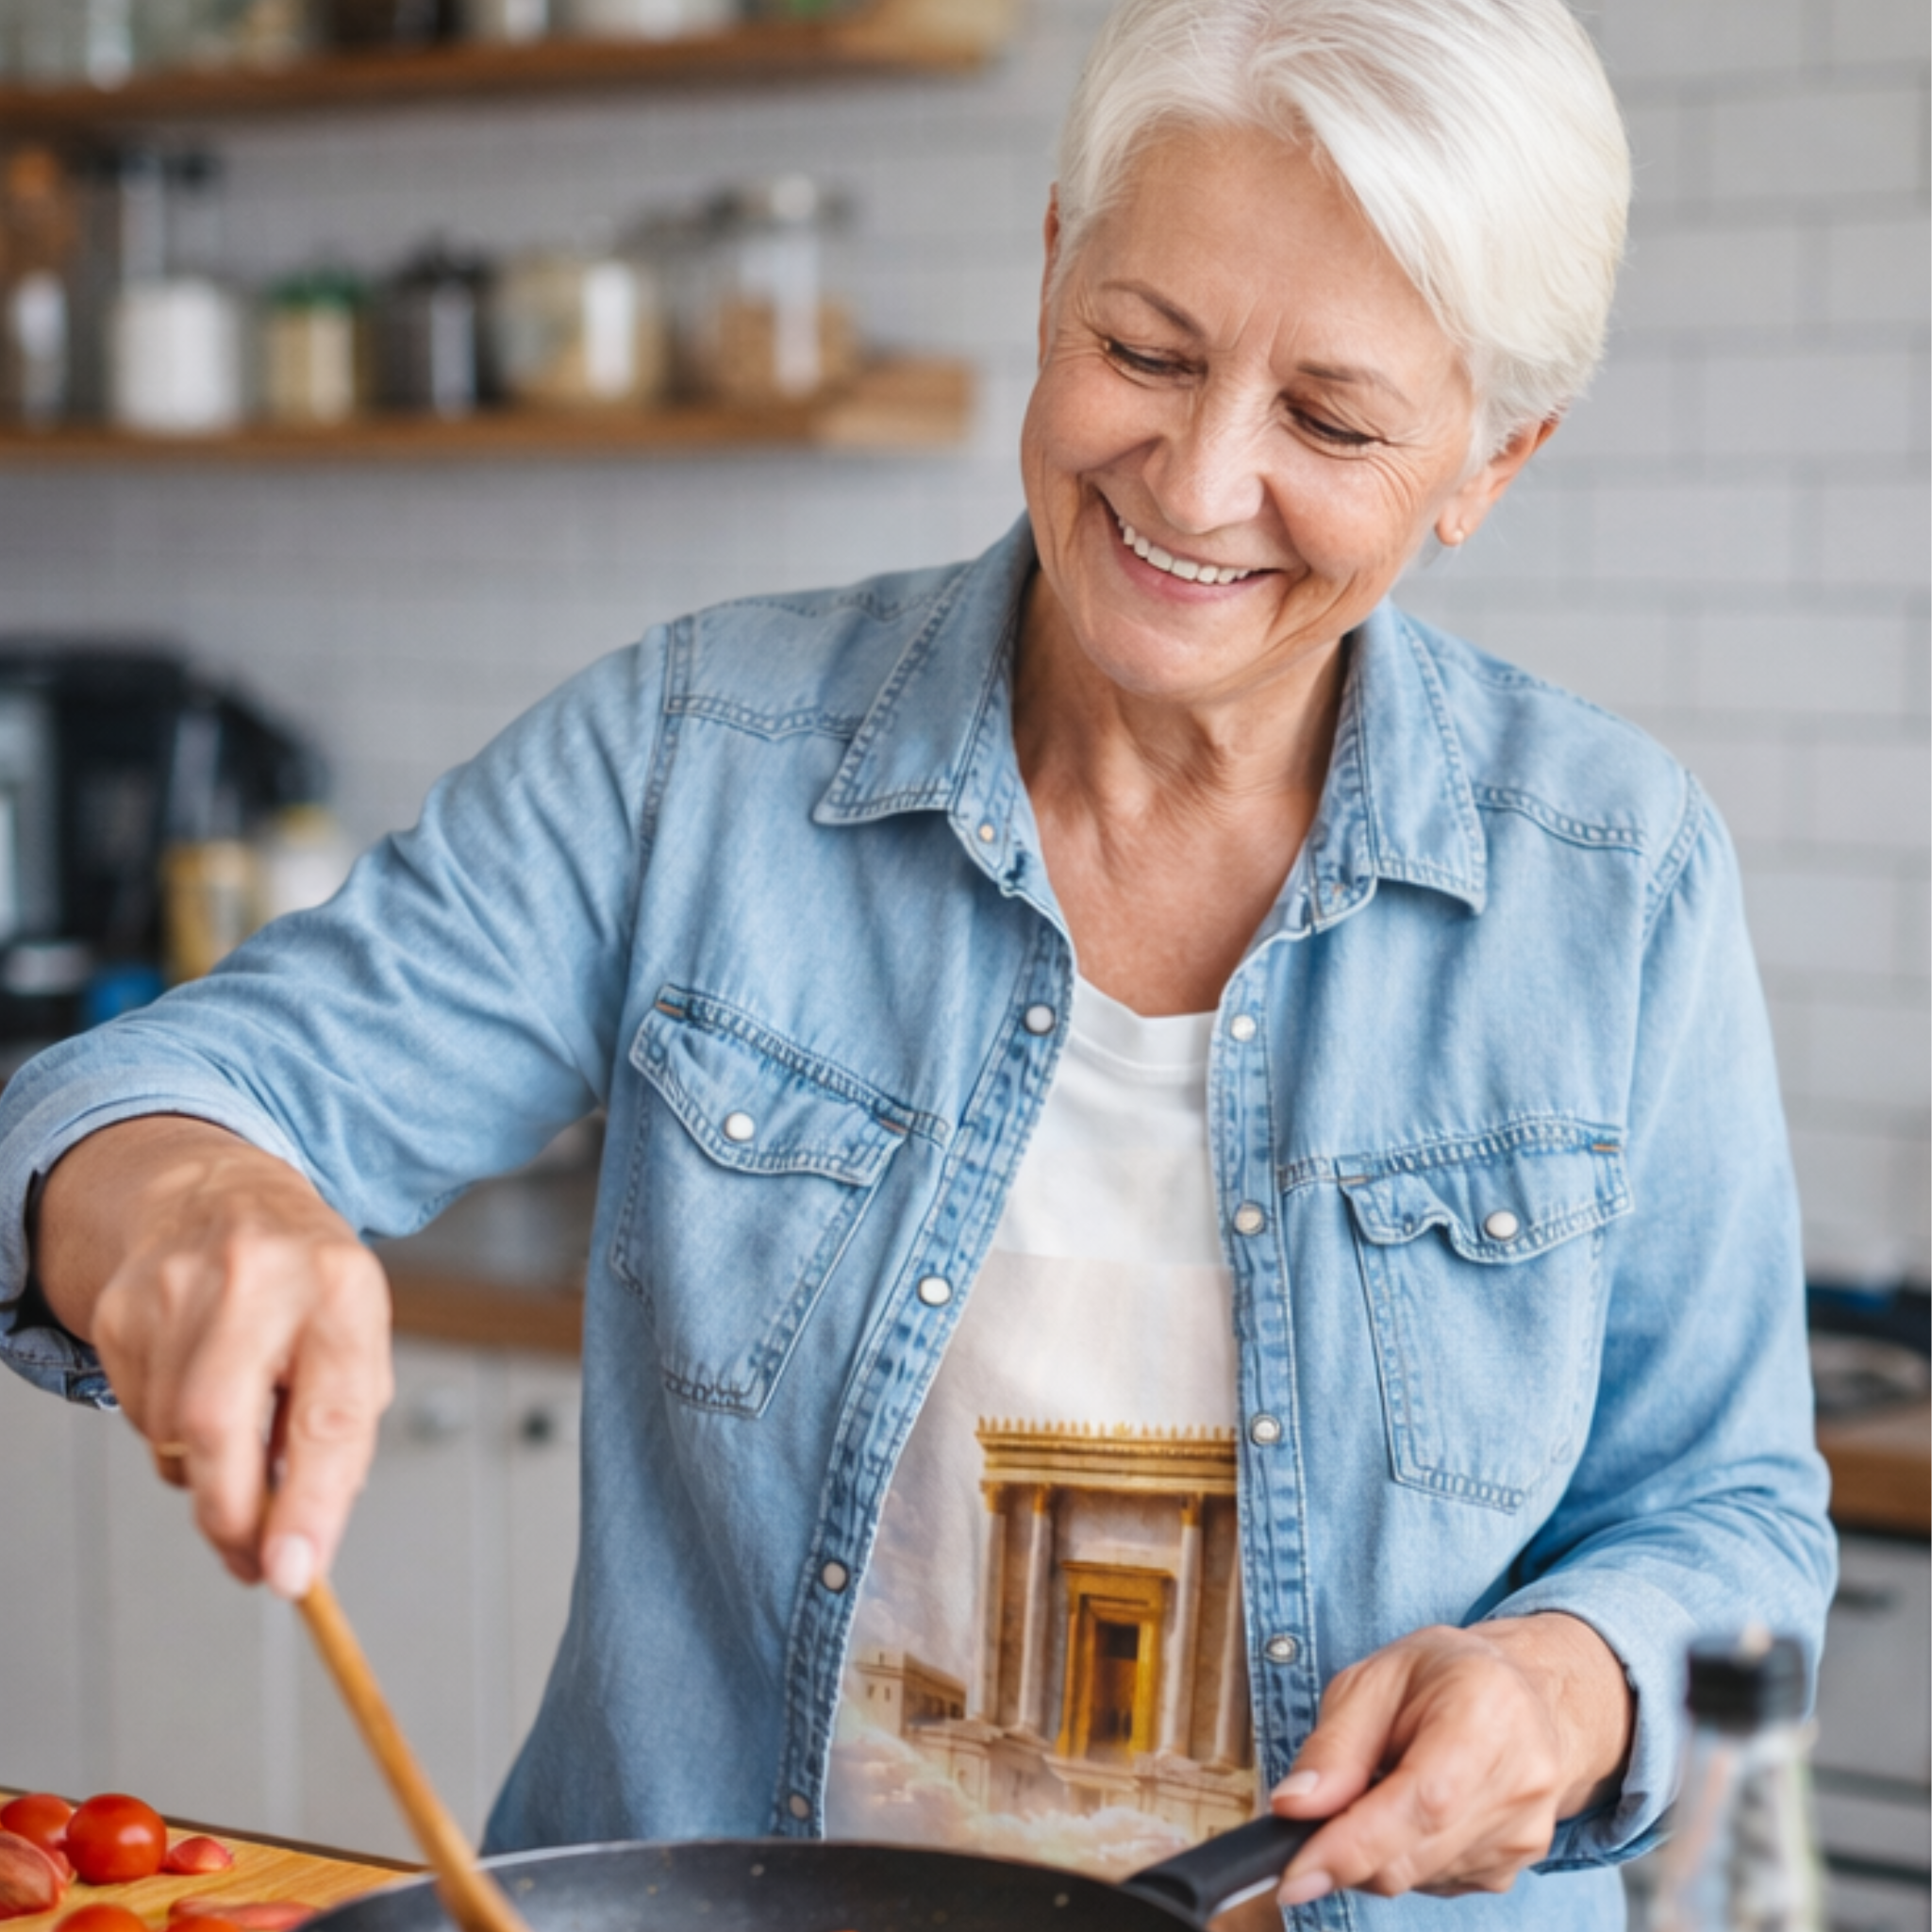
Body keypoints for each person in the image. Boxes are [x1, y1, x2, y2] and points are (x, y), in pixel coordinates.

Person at [0, 0, 1835, 1923]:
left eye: (1329, 421)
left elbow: (1732, 1519)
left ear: (1492, 458)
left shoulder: (1617, 879)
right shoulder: (697, 754)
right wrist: (192, 1196)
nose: (1196, 482)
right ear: (1053, 270)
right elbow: (153, 1096)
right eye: (1144, 350)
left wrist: (1567, 1682)